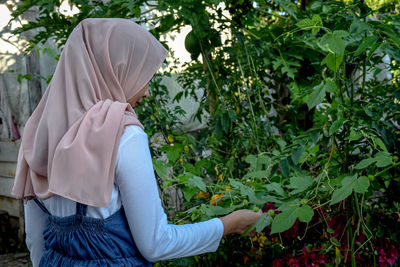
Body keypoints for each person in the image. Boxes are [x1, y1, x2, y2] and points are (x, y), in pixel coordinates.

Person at [11, 18, 261, 266]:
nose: (147, 91)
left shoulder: (37, 134)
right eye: (143, 76)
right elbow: (157, 243)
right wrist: (228, 225)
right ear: (114, 69)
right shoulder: (122, 134)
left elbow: (35, 243)